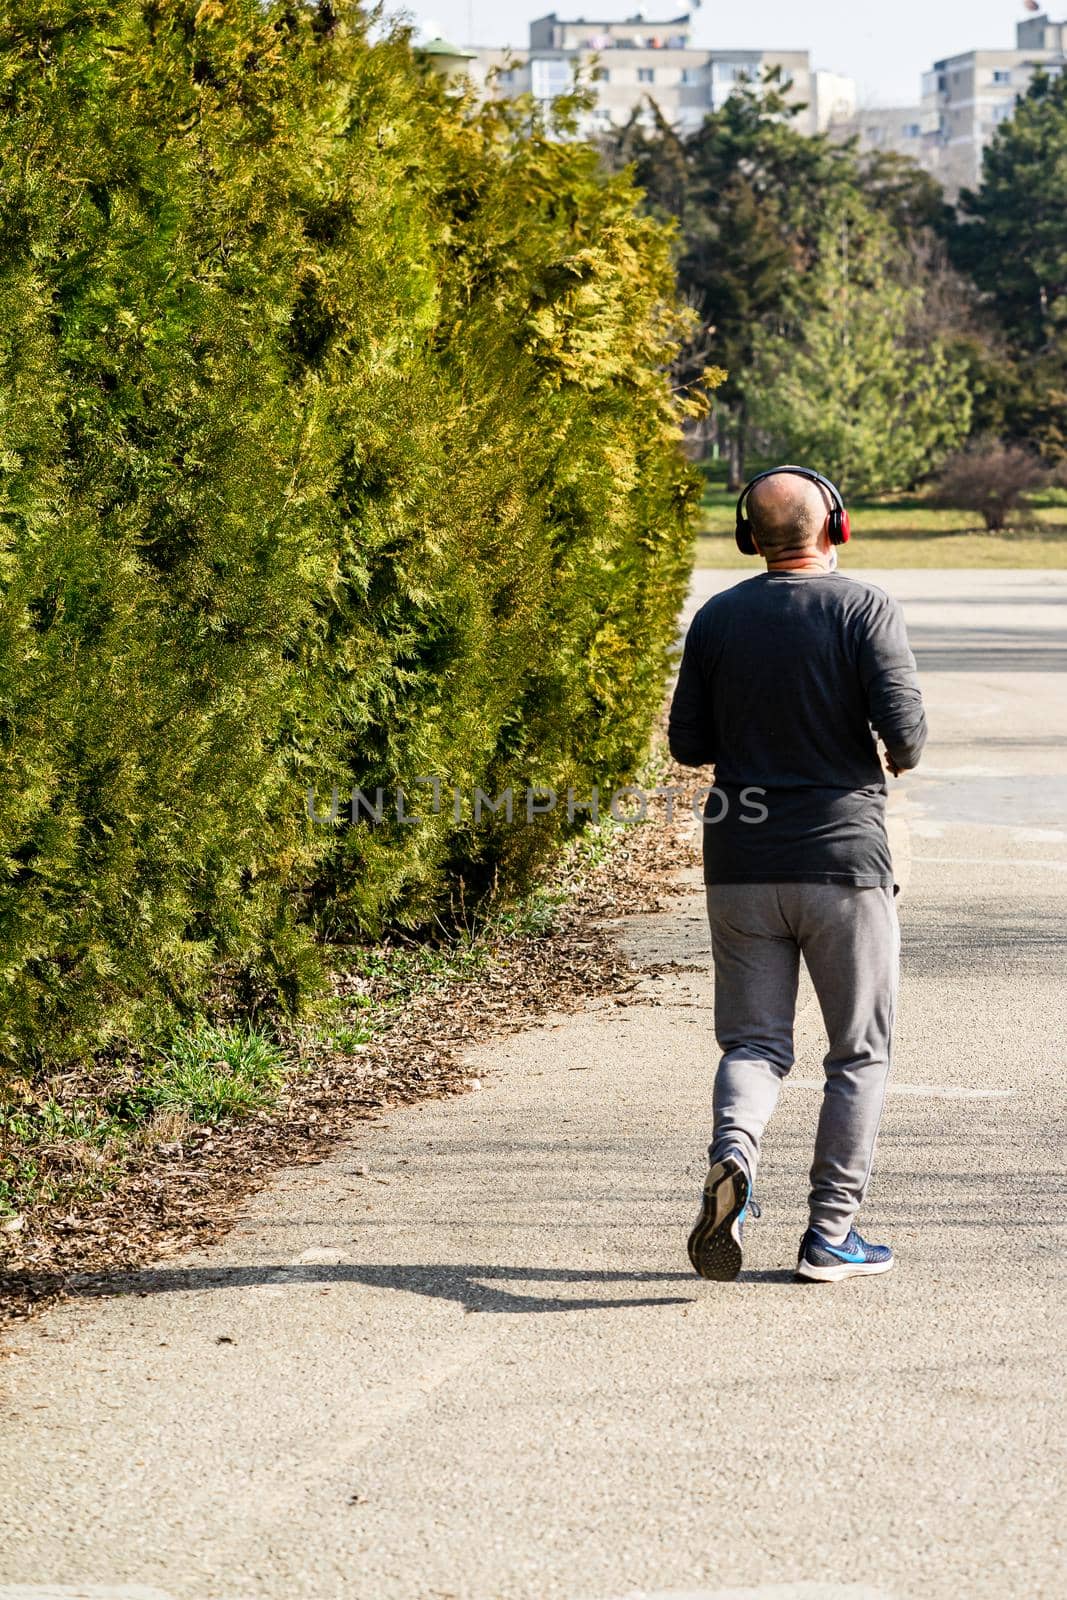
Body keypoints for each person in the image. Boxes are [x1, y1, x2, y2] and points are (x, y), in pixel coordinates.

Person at [668, 466, 927, 1284]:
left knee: (752, 1042)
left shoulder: (717, 616)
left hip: (739, 858)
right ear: (835, 528)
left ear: (748, 538)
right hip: (840, 859)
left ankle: (734, 1159)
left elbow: (686, 743)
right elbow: (907, 737)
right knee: (857, 1053)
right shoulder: (863, 607)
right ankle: (830, 1235)